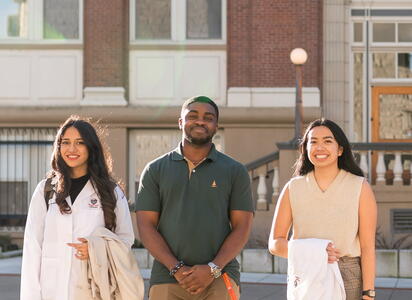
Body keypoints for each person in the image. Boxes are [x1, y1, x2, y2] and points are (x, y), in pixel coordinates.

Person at [135, 95, 254, 300]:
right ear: (180, 122)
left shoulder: (235, 171)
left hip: (220, 276)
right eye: (193, 116)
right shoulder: (155, 170)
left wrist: (213, 269)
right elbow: (146, 226)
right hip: (167, 277)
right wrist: (177, 269)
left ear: (216, 126)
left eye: (208, 117)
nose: (200, 121)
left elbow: (242, 227)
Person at [21, 116, 135, 300]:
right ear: (58, 147)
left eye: (80, 143)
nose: (71, 149)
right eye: (65, 142)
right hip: (51, 291)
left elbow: (126, 240)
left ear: (91, 148)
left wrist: (97, 249)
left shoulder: (110, 192)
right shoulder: (46, 190)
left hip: (94, 290)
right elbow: (32, 247)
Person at [268, 118, 377, 300]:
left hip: (348, 276)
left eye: (327, 141)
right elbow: (274, 244)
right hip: (307, 274)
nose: (320, 147)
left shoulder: (360, 187)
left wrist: (368, 293)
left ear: (340, 149)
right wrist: (314, 252)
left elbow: (367, 247)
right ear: (305, 149)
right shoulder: (293, 188)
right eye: (313, 142)